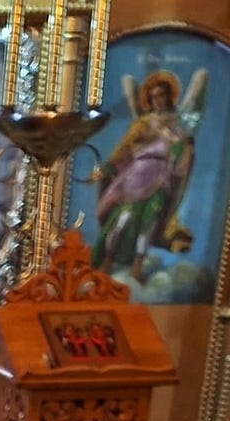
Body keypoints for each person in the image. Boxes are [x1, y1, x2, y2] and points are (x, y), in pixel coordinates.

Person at [92, 69, 204, 279]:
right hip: (135, 177)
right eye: (153, 97)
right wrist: (106, 169)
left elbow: (183, 146)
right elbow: (125, 149)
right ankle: (107, 262)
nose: (158, 100)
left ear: (168, 96)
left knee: (148, 223)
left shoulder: (176, 123)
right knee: (122, 220)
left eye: (161, 95)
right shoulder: (143, 123)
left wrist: (184, 147)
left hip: (160, 179)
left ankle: (136, 270)